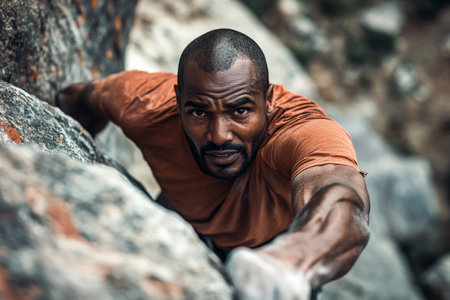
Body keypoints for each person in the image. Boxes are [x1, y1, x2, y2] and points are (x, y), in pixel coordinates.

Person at [55, 28, 370, 300]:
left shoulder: (301, 131)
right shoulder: (146, 104)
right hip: (181, 219)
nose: (219, 136)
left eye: (240, 111)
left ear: (269, 100)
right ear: (178, 100)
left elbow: (341, 197)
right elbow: (76, 100)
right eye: (199, 113)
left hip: (275, 250)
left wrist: (292, 262)